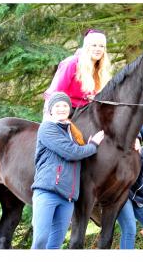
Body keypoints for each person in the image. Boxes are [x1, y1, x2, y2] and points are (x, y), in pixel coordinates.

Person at [31, 92, 105, 249]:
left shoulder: (73, 133)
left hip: (67, 198)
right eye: (57, 106)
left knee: (55, 245)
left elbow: (77, 152)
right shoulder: (47, 128)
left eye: (65, 105)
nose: (61, 108)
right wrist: (93, 146)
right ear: (51, 110)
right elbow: (71, 152)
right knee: (40, 241)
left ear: (69, 109)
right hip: (47, 192)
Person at [42, 29, 112, 117]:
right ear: (86, 47)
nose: (98, 49)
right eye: (94, 45)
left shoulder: (100, 69)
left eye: (101, 46)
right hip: (60, 107)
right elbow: (56, 92)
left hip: (83, 109)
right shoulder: (72, 63)